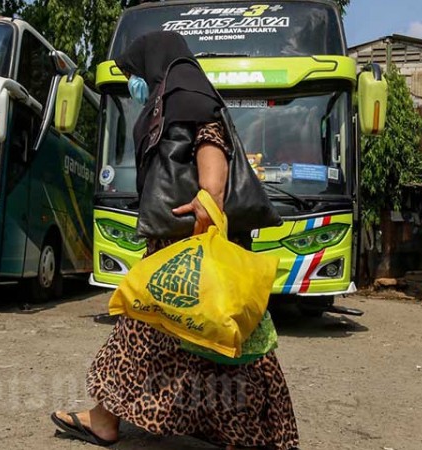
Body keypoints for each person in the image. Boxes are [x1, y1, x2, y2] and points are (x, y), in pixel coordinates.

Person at [51, 32, 299, 449]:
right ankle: (112, 418)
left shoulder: (184, 89)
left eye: (137, 72)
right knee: (190, 339)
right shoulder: (177, 91)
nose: (136, 82)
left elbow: (211, 139)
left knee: (180, 333)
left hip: (191, 243)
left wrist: (209, 195)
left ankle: (107, 420)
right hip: (183, 242)